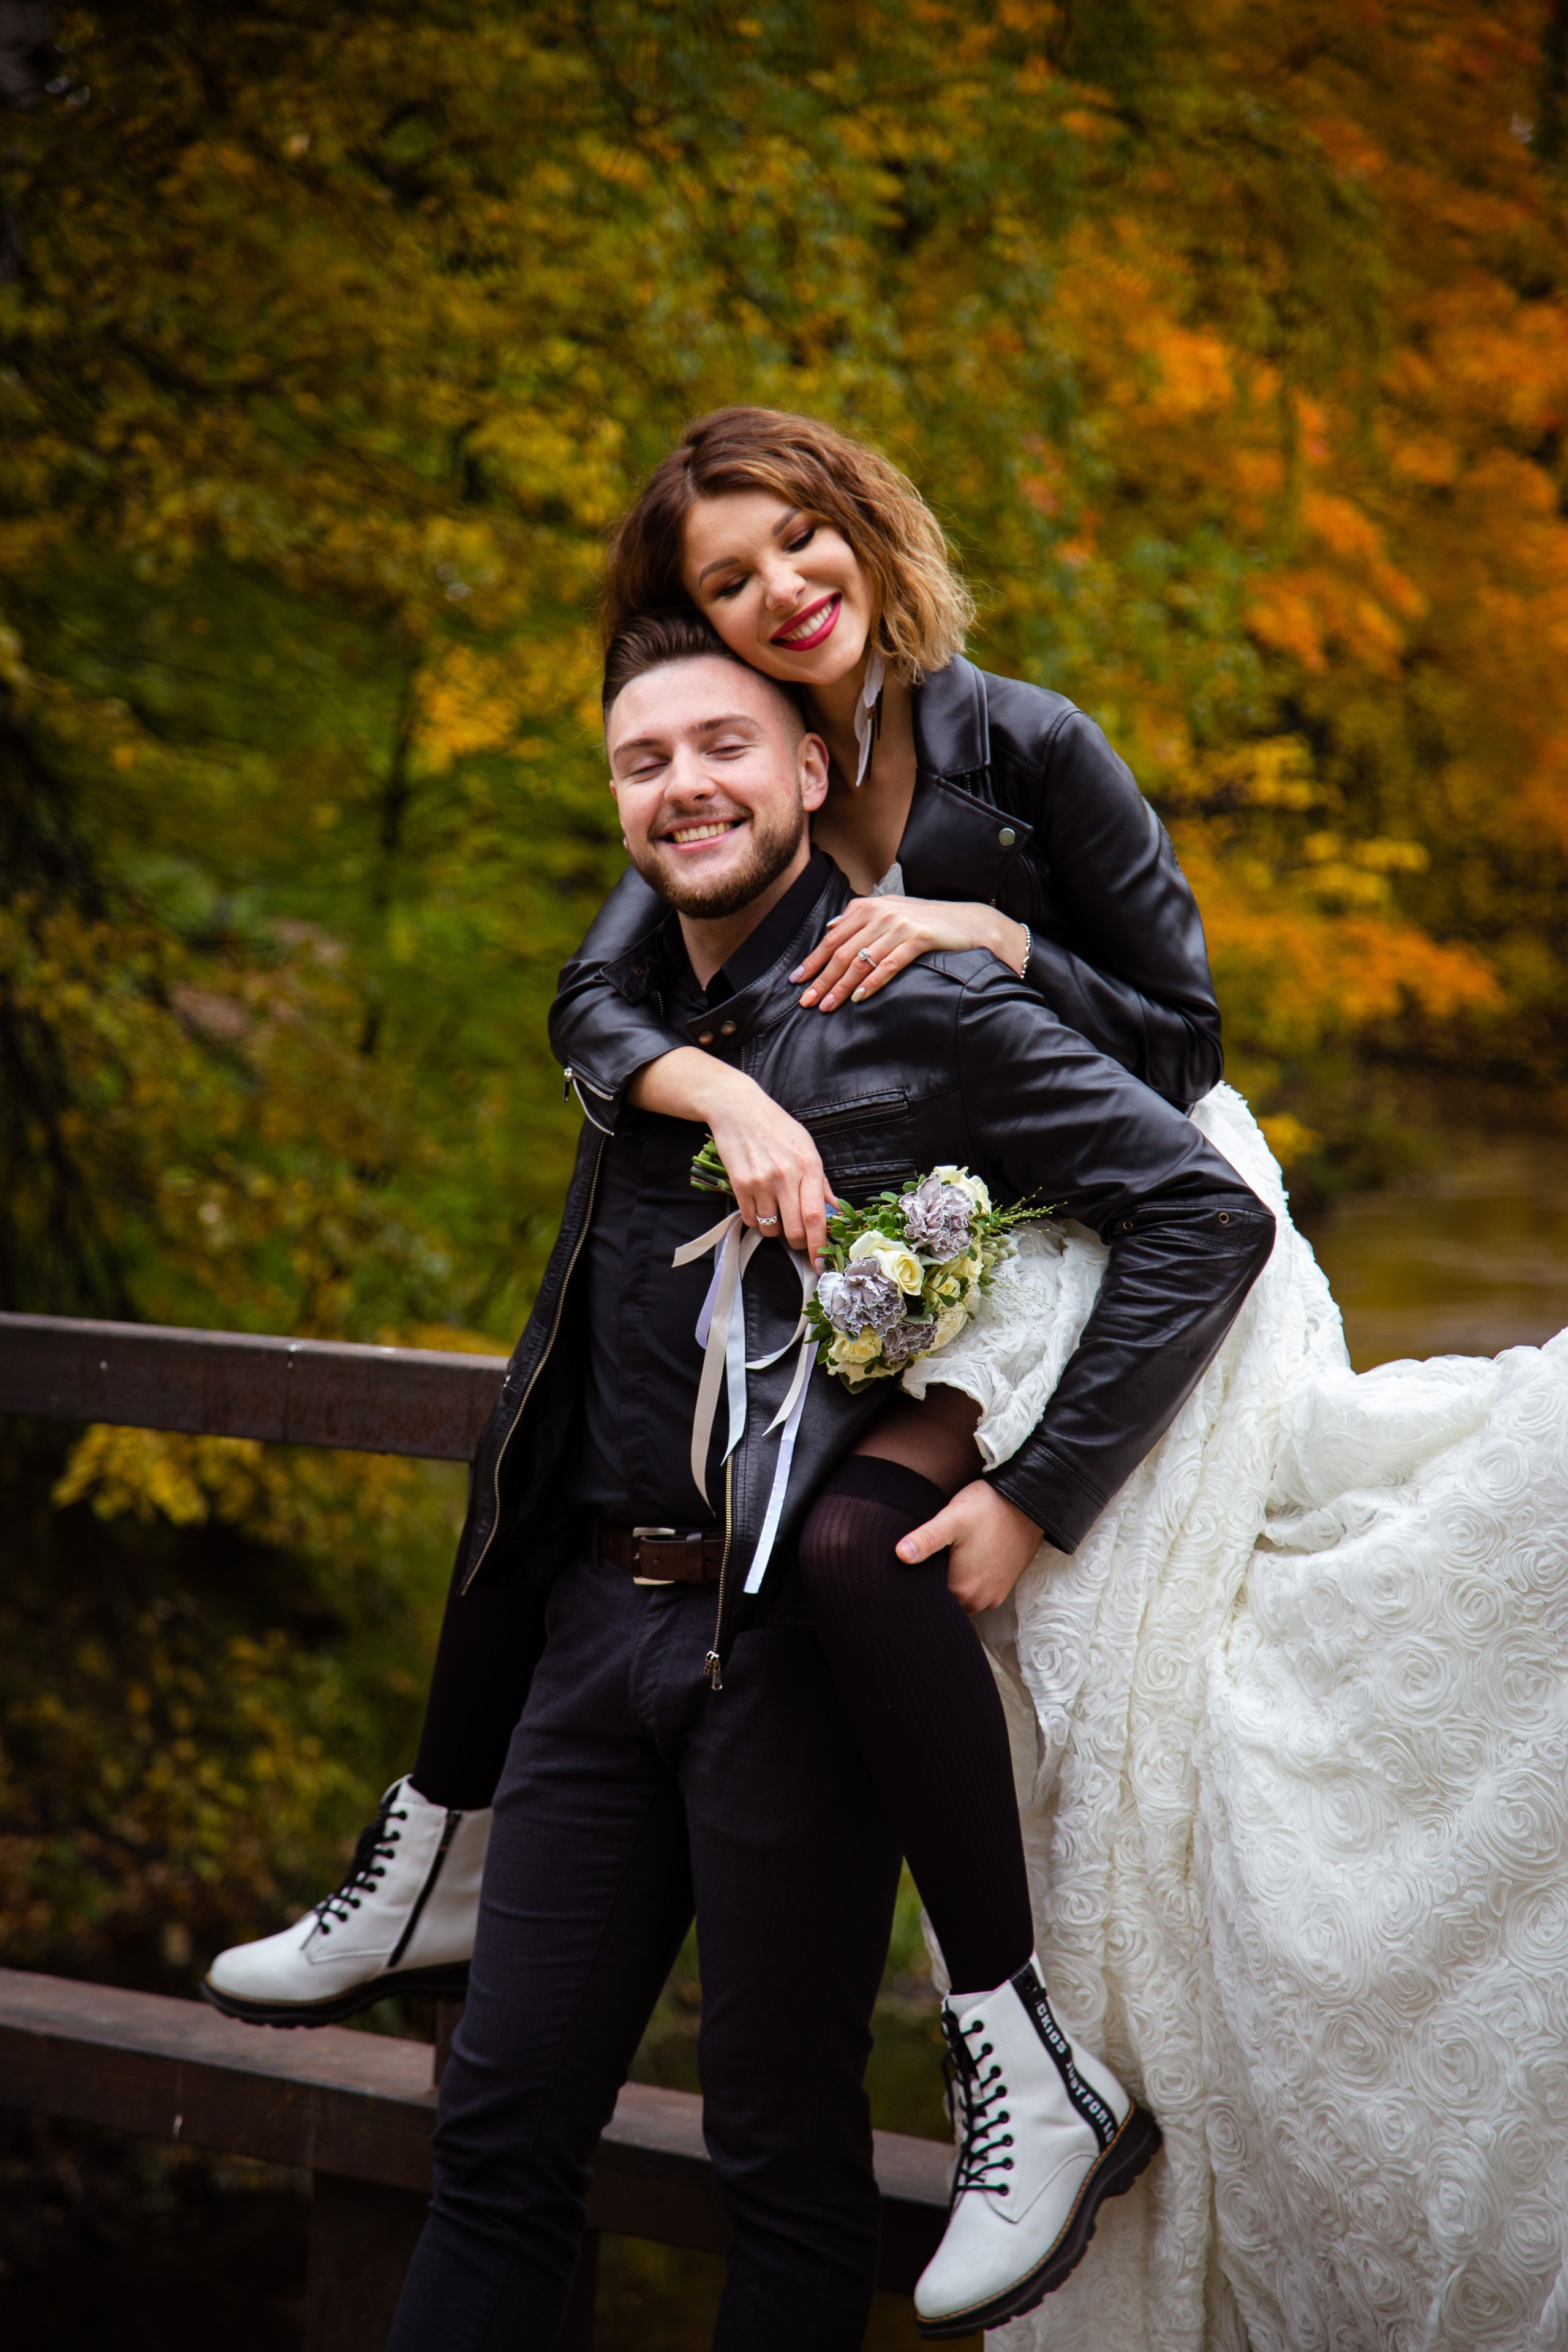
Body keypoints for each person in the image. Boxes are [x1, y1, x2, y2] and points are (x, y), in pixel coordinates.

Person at [205, 404, 1224, 2026]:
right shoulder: (729, 753)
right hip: (867, 1210)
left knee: (857, 1550)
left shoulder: (1029, 747)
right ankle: (428, 1851)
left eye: (800, 539)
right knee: (554, 1401)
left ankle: (1013, 2024)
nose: (784, 590)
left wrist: (992, 938)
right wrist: (729, 1099)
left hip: (1086, 1207)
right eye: (730, 579)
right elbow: (594, 1003)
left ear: (866, 523)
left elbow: (1186, 1047)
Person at [382, 615, 1273, 2348]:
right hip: (590, 1629)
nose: (682, 784)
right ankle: (407, 1873)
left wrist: (1038, 1488)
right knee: (490, 2137)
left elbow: (1200, 1215)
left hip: (779, 1652)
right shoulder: (635, 1026)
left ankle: (1029, 2064)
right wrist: (714, 1090)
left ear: (811, 769)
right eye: (642, 762)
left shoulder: (928, 999)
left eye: (722, 745)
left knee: (781, 2166)